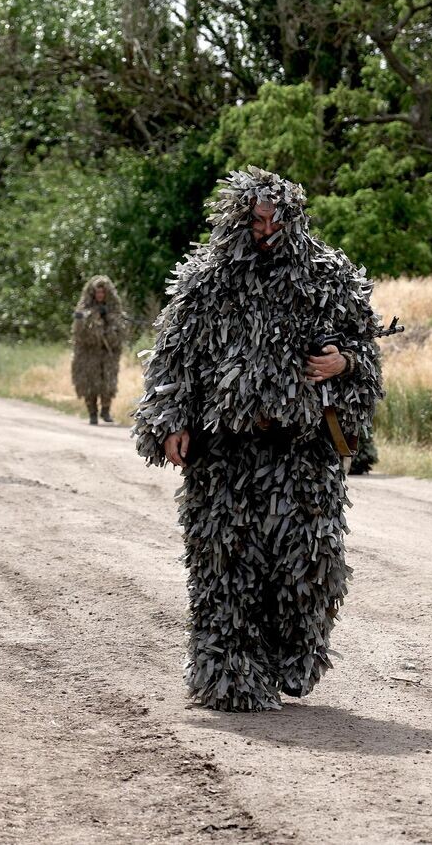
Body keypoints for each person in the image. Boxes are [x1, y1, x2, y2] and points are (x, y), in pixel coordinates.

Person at [132, 167, 384, 712]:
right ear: (237, 219)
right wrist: (172, 419)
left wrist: (345, 361)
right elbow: (173, 358)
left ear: (291, 218)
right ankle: (233, 679)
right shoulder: (205, 279)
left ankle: (295, 659)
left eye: (273, 219)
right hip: (225, 452)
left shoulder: (330, 278)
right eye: (254, 219)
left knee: (310, 568)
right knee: (224, 569)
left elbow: (367, 355)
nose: (264, 229)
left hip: (304, 452)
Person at [71, 274, 127, 424]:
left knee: (108, 383)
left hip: (108, 353)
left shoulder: (113, 309)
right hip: (89, 353)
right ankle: (92, 414)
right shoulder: (84, 309)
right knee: (90, 383)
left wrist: (108, 318)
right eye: (97, 292)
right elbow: (80, 331)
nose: (100, 295)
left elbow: (119, 330)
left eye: (103, 292)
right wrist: (93, 318)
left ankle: (106, 411)